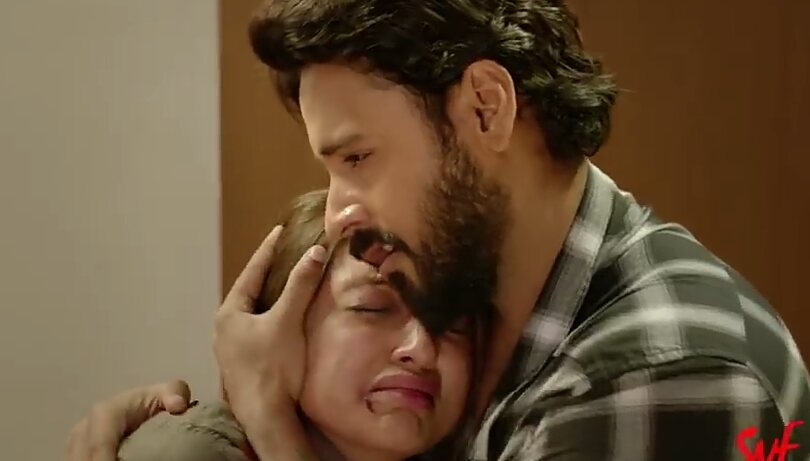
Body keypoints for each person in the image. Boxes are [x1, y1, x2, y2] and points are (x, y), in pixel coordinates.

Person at [67, 1, 810, 460]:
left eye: (357, 158)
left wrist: (271, 424)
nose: (341, 210)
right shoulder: (494, 313)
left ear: (486, 108)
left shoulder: (657, 376)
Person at [104, 189, 486, 461]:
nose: (422, 349)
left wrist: (272, 425)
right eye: (372, 308)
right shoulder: (192, 452)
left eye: (453, 323)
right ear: (273, 329)